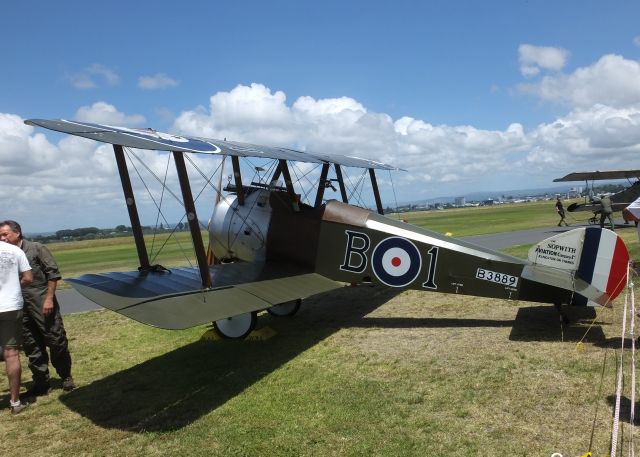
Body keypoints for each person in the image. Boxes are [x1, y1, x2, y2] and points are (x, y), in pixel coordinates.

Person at [0, 220, 75, 396]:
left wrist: (49, 299)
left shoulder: (36, 248)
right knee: (31, 345)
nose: (2, 239)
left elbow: (53, 274)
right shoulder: (5, 254)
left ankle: (66, 376)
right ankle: (41, 382)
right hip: (18, 306)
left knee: (56, 340)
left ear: (17, 233)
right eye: (0, 236)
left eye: (5, 234)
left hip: (41, 302)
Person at [0, 238, 33, 414]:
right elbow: (28, 277)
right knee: (11, 354)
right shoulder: (14, 250)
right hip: (11, 306)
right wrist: (13, 287)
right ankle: (15, 401)